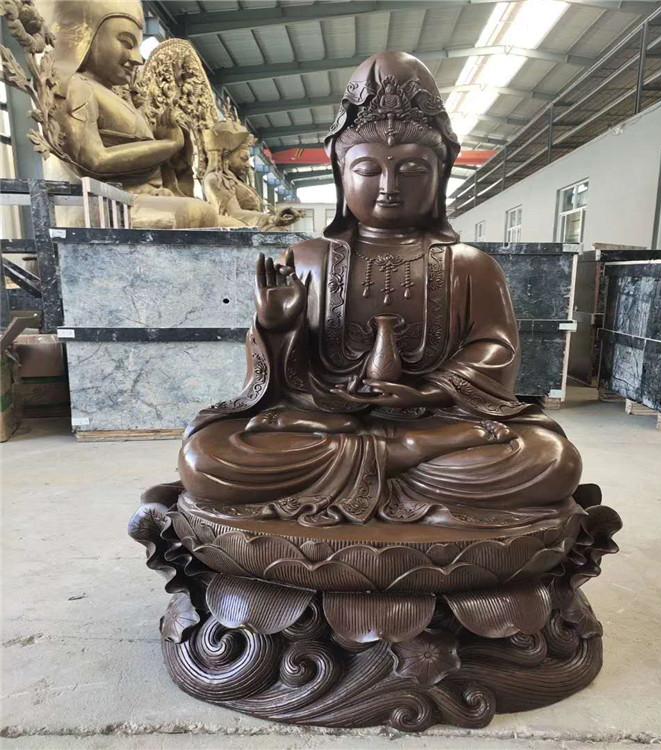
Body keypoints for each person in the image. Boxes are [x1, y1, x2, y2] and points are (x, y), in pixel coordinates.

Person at [179, 52, 582, 528]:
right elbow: (278, 385)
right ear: (341, 174)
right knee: (206, 457)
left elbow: (496, 349)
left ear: (439, 177)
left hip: (436, 420)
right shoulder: (306, 258)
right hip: (329, 420)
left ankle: (399, 452)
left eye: (412, 171)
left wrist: (428, 392)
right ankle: (402, 455)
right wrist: (276, 328)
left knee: (550, 460)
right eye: (368, 171)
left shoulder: (471, 265)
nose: (389, 186)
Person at [41, 0, 217, 228]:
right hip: (104, 205)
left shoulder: (116, 97)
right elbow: (94, 160)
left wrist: (171, 144)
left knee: (218, 218)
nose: (137, 58)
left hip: (135, 197)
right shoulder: (78, 87)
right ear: (87, 36)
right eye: (126, 43)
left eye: (137, 47)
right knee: (198, 213)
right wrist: (168, 145)